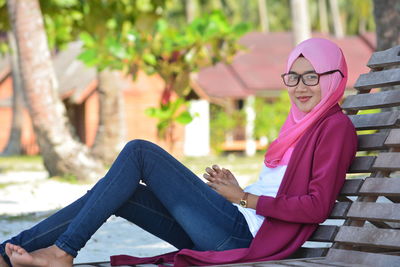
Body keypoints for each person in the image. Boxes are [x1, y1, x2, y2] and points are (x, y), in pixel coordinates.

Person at [0, 37, 357, 267]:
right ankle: (10, 253)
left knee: (140, 153)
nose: (300, 87)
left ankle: (62, 251)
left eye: (313, 77)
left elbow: (316, 205)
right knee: (120, 192)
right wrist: (237, 191)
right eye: (293, 77)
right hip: (235, 225)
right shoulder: (300, 124)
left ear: (333, 77)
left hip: (247, 239)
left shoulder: (335, 127)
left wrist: (243, 197)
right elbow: (280, 186)